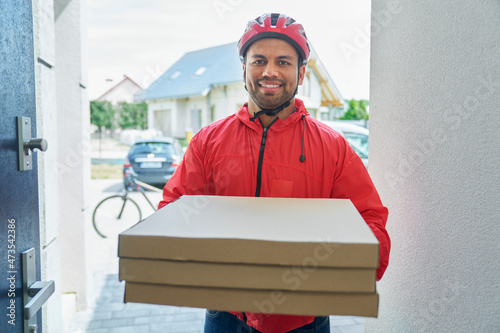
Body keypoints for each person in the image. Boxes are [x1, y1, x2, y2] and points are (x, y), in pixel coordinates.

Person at [158, 12, 390, 333]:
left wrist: (348, 266)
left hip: (305, 319)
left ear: (302, 72)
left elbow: (370, 222)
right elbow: (174, 214)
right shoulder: (208, 141)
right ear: (244, 69)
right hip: (226, 316)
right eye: (258, 61)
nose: (269, 71)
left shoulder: (333, 147)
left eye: (283, 61)